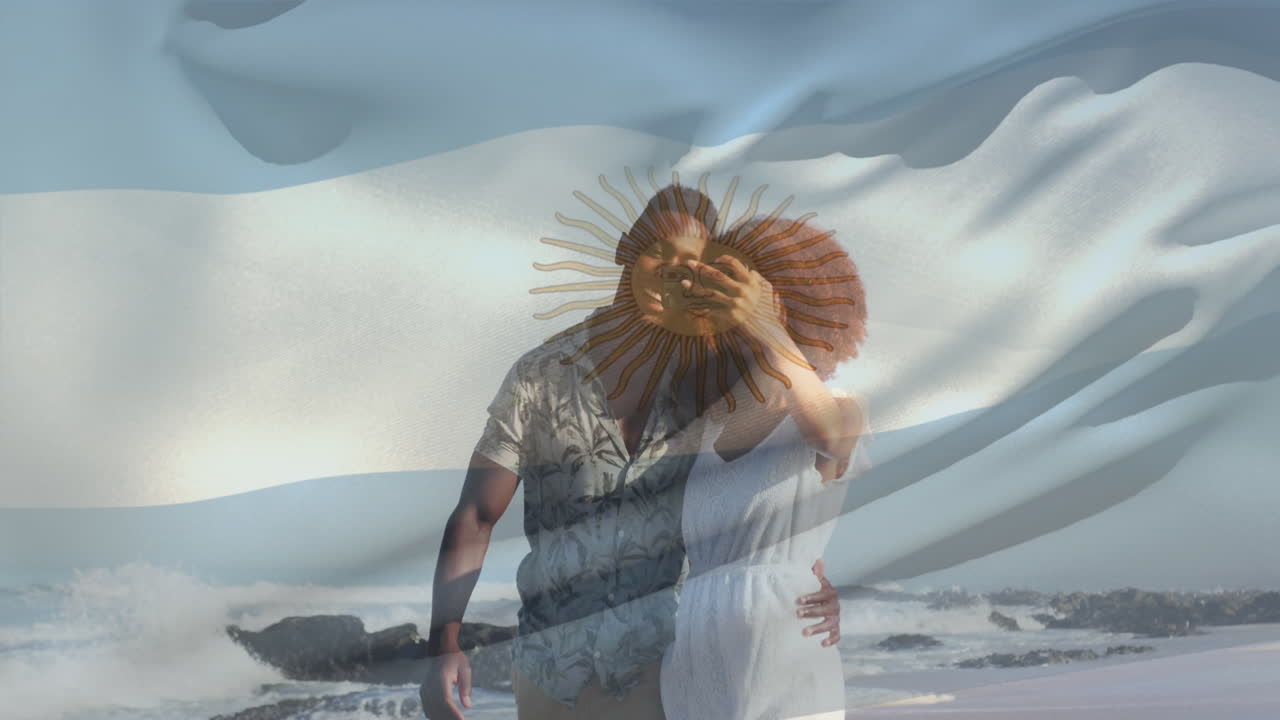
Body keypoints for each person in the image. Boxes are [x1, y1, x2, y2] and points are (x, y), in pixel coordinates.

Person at [419, 185, 843, 720]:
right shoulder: (540, 375)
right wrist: (443, 647)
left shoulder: (710, 387)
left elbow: (772, 491)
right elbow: (477, 514)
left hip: (669, 669)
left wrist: (810, 585)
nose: (673, 274)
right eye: (657, 251)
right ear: (624, 248)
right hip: (554, 671)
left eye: (693, 266)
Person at [658, 215, 870, 720]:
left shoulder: (842, 405)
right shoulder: (704, 424)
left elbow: (831, 438)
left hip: (781, 669)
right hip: (695, 666)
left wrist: (767, 325)